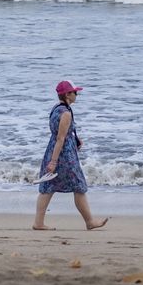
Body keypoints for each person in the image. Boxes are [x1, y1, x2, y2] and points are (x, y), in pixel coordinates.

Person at [32, 80, 107, 231]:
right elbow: (61, 138)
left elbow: (60, 134)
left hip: (53, 149)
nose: (77, 95)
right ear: (67, 94)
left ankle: (38, 223)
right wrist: (53, 162)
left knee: (48, 186)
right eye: (75, 92)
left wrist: (75, 139)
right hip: (64, 155)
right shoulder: (65, 113)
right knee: (78, 186)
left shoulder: (56, 109)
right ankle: (90, 222)